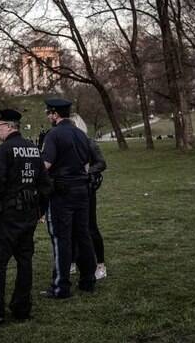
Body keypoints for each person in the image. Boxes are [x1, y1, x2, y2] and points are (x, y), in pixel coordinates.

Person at [0, 109, 52, 327]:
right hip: (28, 215)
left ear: (9, 126)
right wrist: (40, 211)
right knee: (24, 263)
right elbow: (45, 185)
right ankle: (21, 308)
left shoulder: (3, 151)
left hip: (6, 216)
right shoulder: (34, 150)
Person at [40, 98, 96, 299]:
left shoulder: (53, 134)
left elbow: (45, 164)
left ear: (55, 114)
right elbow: (89, 159)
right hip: (82, 188)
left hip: (61, 191)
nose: (48, 117)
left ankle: (60, 287)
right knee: (83, 235)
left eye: (49, 113)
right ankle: (88, 280)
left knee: (61, 239)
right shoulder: (81, 134)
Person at [70, 119, 108, 280]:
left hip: (86, 190)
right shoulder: (66, 143)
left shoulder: (88, 142)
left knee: (90, 227)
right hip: (69, 190)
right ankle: (72, 261)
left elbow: (101, 163)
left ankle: (100, 265)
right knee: (70, 227)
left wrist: (86, 172)